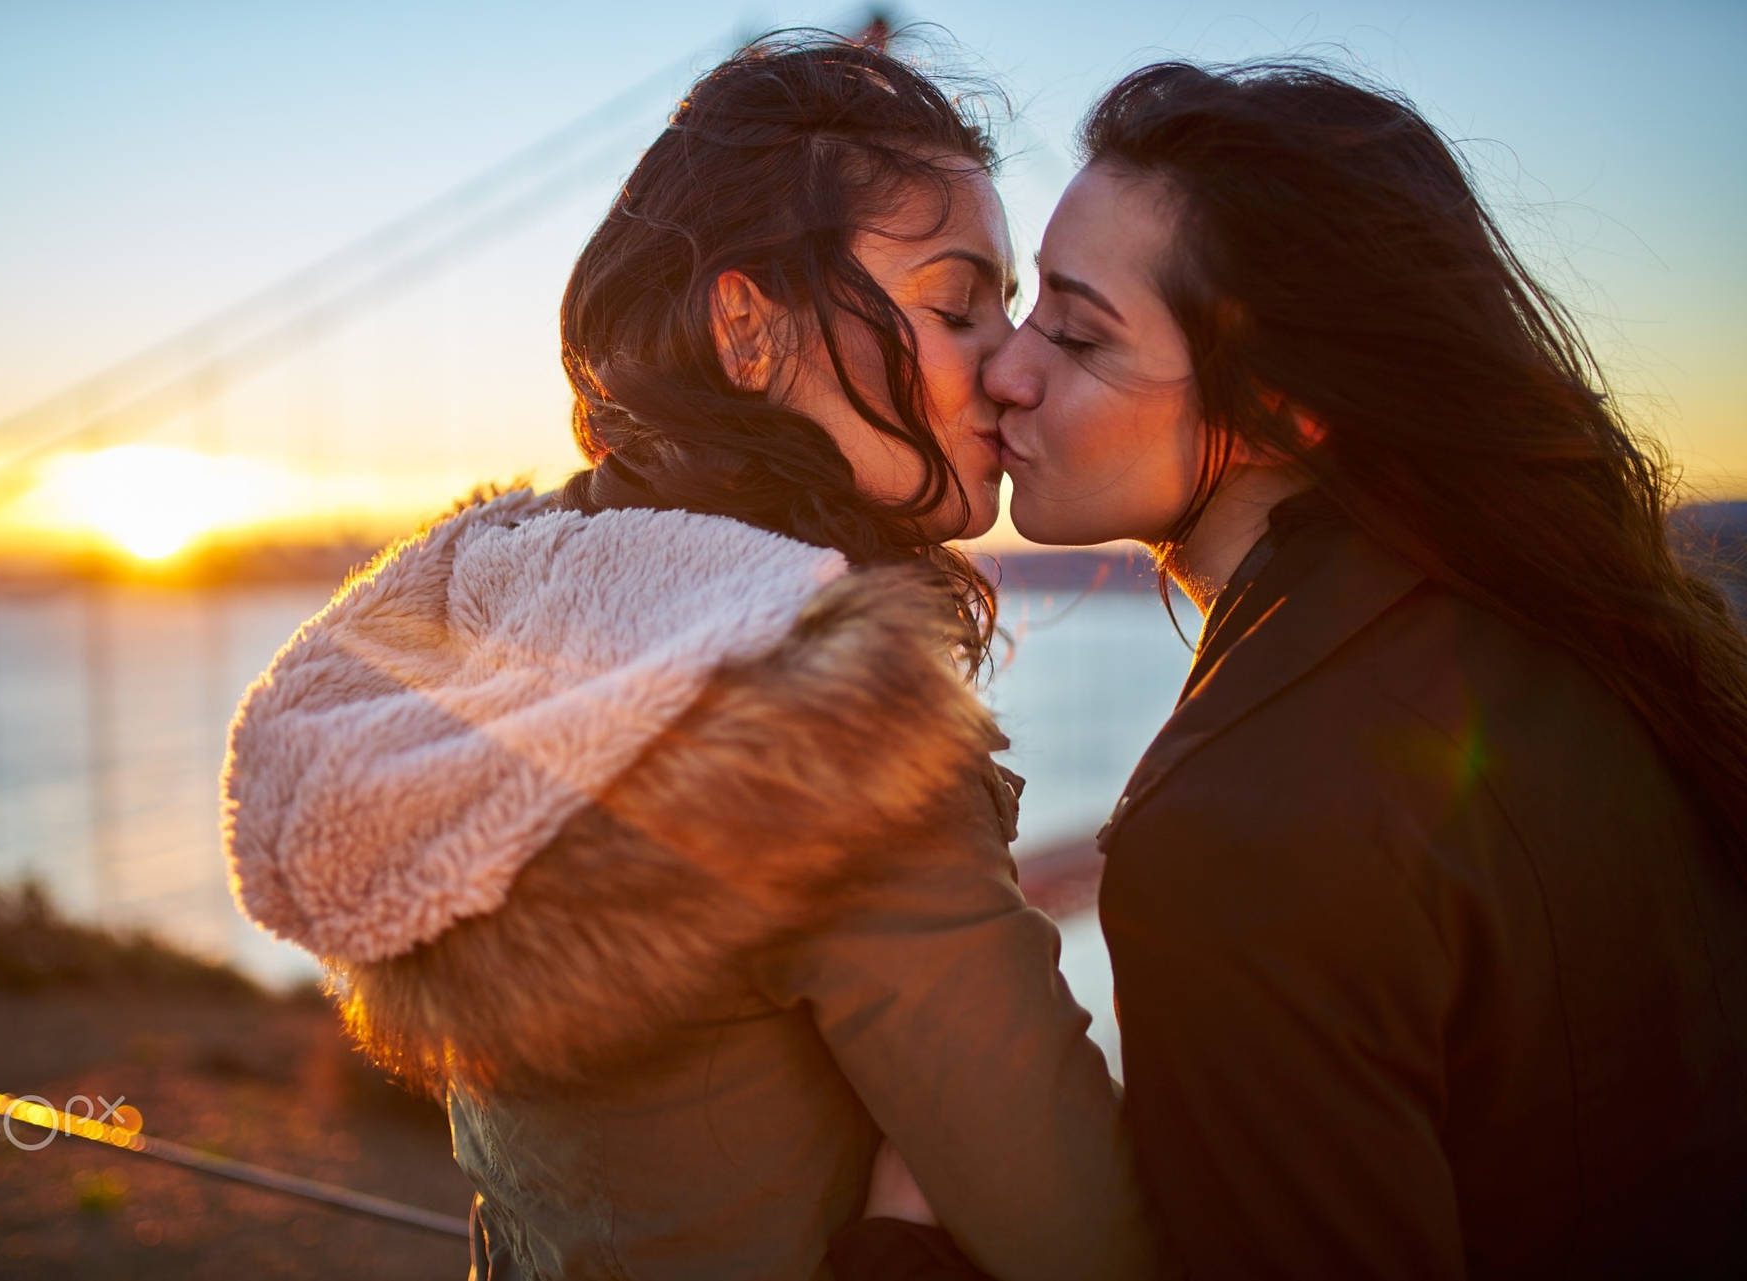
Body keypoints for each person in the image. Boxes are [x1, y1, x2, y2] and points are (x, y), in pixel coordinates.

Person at [219, 35, 1168, 1281]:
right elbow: (1085, 1240)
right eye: (955, 306)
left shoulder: (534, 624)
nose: (1010, 364)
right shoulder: (814, 726)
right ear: (748, 327)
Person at [849, 59, 1747, 1279]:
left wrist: (904, 1253)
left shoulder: (1242, 831)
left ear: (1283, 407)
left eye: (1075, 329)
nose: (1007, 369)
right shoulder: (1584, 640)